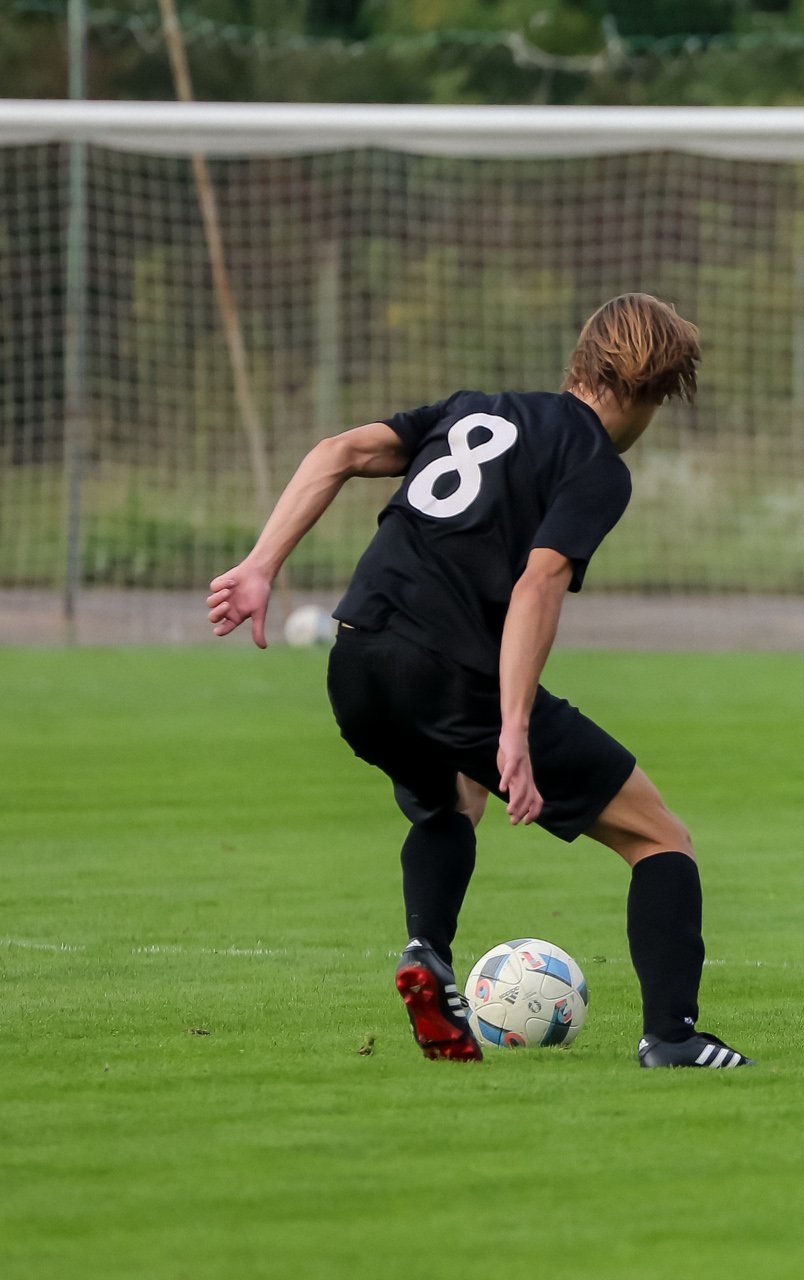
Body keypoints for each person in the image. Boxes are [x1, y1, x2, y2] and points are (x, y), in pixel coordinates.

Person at [207, 293, 753, 1069]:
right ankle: (673, 1037)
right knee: (660, 837)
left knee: (454, 798)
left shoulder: (472, 411)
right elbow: (539, 583)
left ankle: (426, 954)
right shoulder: (596, 465)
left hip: (355, 661)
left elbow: (337, 452)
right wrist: (514, 731)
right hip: (447, 673)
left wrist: (261, 565)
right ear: (647, 389)